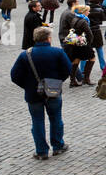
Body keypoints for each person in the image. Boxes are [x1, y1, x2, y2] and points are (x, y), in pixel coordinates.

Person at [9, 25, 73, 159]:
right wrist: (57, 81)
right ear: (48, 39)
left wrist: (27, 85)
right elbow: (67, 70)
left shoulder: (25, 55)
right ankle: (58, 146)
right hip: (53, 91)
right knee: (56, 119)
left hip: (33, 94)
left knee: (37, 121)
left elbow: (15, 76)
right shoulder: (57, 52)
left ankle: (41, 151)